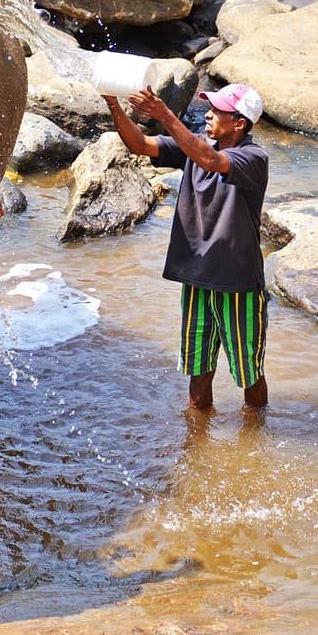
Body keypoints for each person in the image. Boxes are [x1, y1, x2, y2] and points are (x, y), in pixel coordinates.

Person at [104, 83, 270, 412]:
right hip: (196, 278)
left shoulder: (253, 158)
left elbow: (210, 160)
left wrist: (164, 113)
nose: (208, 113)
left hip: (237, 282)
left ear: (239, 123)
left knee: (249, 373)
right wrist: (113, 104)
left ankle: (255, 434)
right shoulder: (194, 149)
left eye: (218, 110)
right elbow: (139, 144)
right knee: (198, 370)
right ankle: (198, 440)